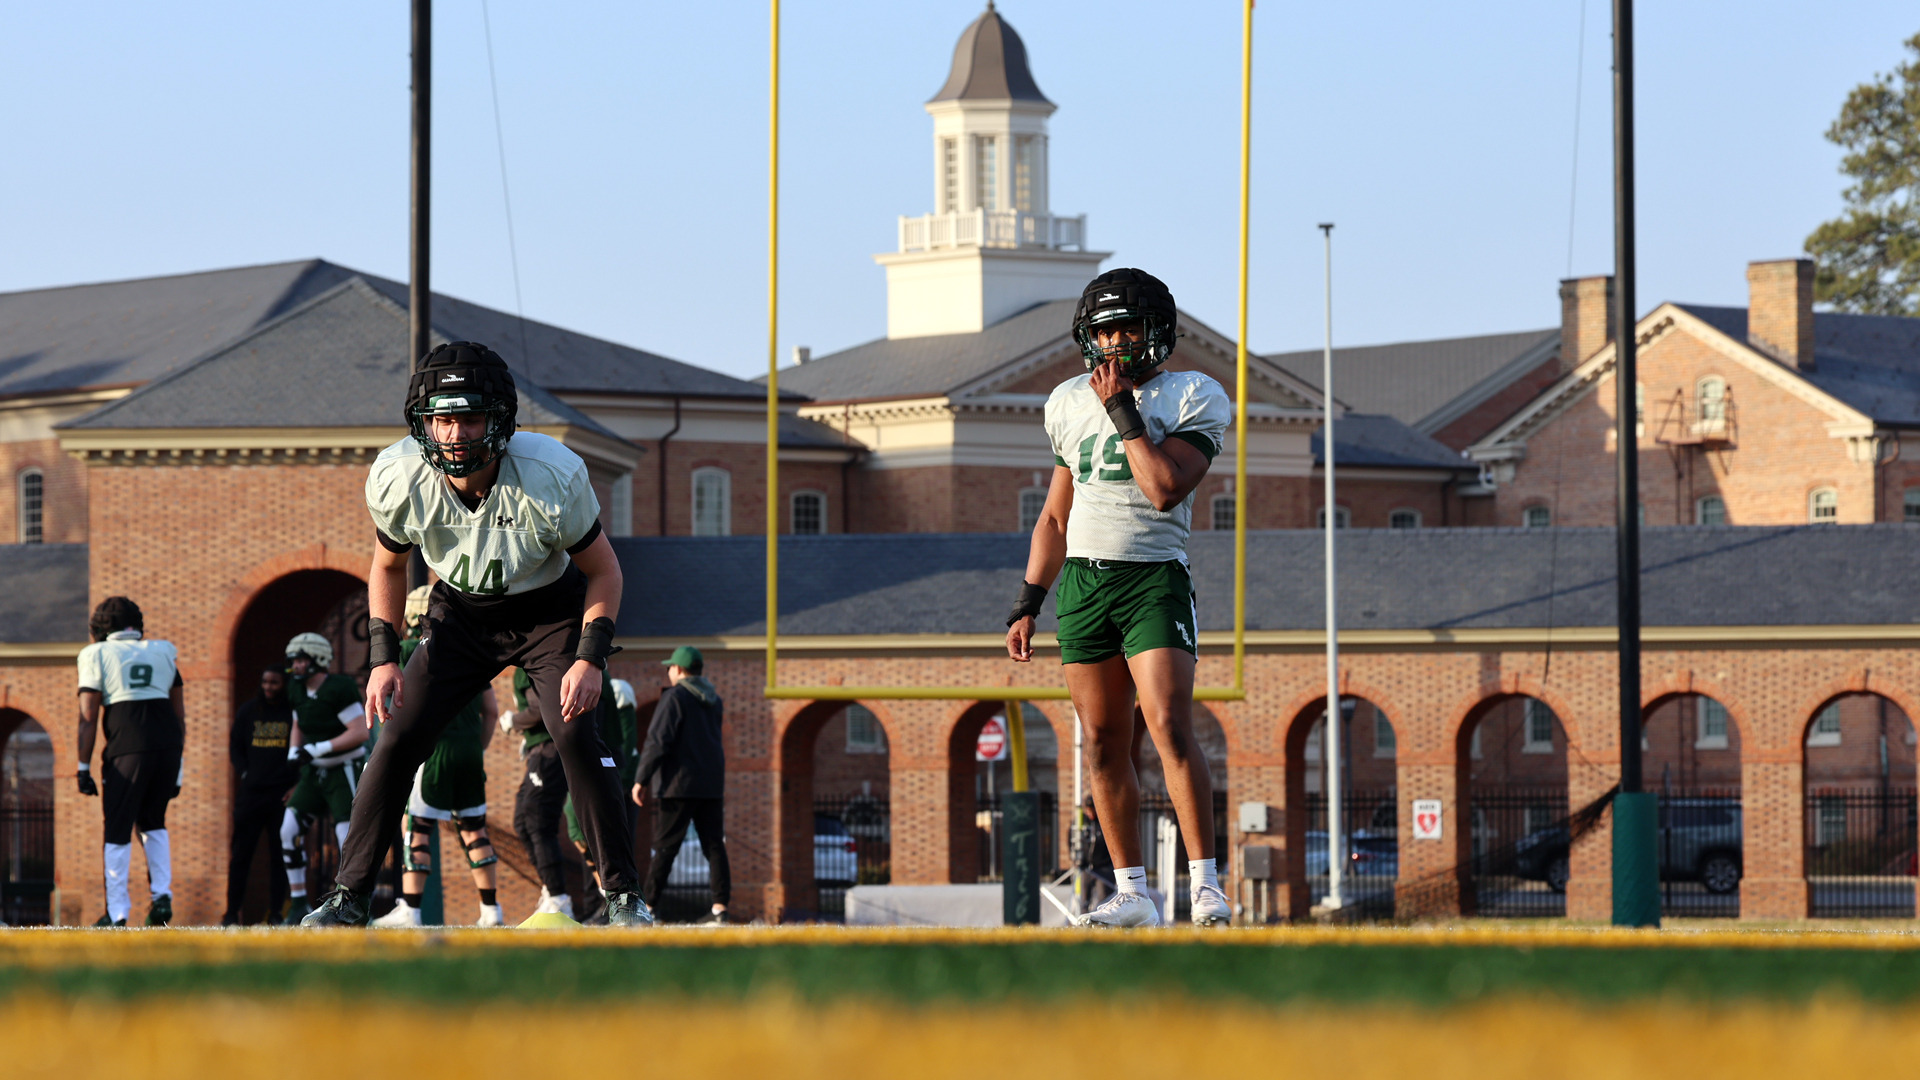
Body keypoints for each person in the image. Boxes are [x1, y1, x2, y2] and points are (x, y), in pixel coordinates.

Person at [303, 341, 648, 927]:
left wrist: (589, 659)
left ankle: (623, 896)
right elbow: (386, 567)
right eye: (442, 419)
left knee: (577, 740)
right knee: (395, 739)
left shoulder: (547, 474)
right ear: (423, 424)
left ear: (500, 421)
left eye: (468, 417)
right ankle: (348, 897)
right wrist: (383, 658)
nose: (455, 433)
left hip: (550, 613)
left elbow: (604, 571)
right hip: (461, 614)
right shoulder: (401, 475)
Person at [1005, 269, 1233, 928]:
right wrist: (1028, 600)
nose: (1115, 343)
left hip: (1152, 576)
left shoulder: (1193, 394)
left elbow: (1164, 488)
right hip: (1082, 582)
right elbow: (1054, 516)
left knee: (1166, 723)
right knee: (1103, 742)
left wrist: (1123, 411)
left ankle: (1207, 886)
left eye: (1127, 328)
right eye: (1104, 330)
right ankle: (1133, 893)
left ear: (1155, 331)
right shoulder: (1066, 401)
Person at [375, 586, 504, 928]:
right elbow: (490, 712)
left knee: (416, 828)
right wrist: (478, 748)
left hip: (433, 752)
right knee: (474, 829)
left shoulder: (406, 650)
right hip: (469, 751)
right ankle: (491, 910)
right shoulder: (471, 649)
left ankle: (411, 910)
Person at [75, 596, 185, 928]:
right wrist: (178, 764)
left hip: (128, 746)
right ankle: (162, 897)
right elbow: (180, 716)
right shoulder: (164, 650)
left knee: (118, 828)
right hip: (167, 745)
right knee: (154, 822)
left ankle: (117, 911)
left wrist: (82, 766)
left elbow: (88, 716)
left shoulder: (96, 654)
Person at [278, 632, 370, 924]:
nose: (295, 666)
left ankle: (350, 902)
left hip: (342, 770)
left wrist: (317, 748)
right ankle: (297, 902)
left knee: (346, 839)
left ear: (318, 659)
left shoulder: (338, 688)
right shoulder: (296, 689)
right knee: (288, 830)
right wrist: (295, 750)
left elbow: (359, 733)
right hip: (314, 772)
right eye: (293, 660)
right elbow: (297, 723)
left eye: (301, 659)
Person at [635, 646, 730, 925]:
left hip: (679, 785)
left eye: (670, 667)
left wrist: (641, 779)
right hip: (710, 784)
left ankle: (649, 907)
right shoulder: (714, 699)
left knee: (665, 847)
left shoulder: (675, 696)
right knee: (714, 846)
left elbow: (657, 740)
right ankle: (720, 908)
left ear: (678, 669)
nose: (668, 671)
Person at [221, 666, 299, 925]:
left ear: (284, 684)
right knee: (241, 855)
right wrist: (244, 773)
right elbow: (234, 745)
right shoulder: (248, 711)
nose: (268, 687)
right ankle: (232, 914)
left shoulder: (291, 712)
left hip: (281, 796)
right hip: (251, 795)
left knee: (280, 857)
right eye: (265, 681)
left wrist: (295, 784)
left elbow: (303, 749)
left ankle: (276, 913)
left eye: (274, 682)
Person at [560, 678, 639, 923]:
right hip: (587, 767)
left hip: (607, 770)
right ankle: (604, 901)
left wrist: (622, 780)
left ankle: (619, 901)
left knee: (606, 839)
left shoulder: (613, 688)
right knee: (584, 835)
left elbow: (625, 740)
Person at [505, 666, 575, 918]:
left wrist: (513, 720)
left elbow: (538, 710)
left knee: (538, 821)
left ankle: (559, 898)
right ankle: (550, 887)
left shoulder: (526, 666)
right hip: (541, 751)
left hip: (548, 751)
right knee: (523, 822)